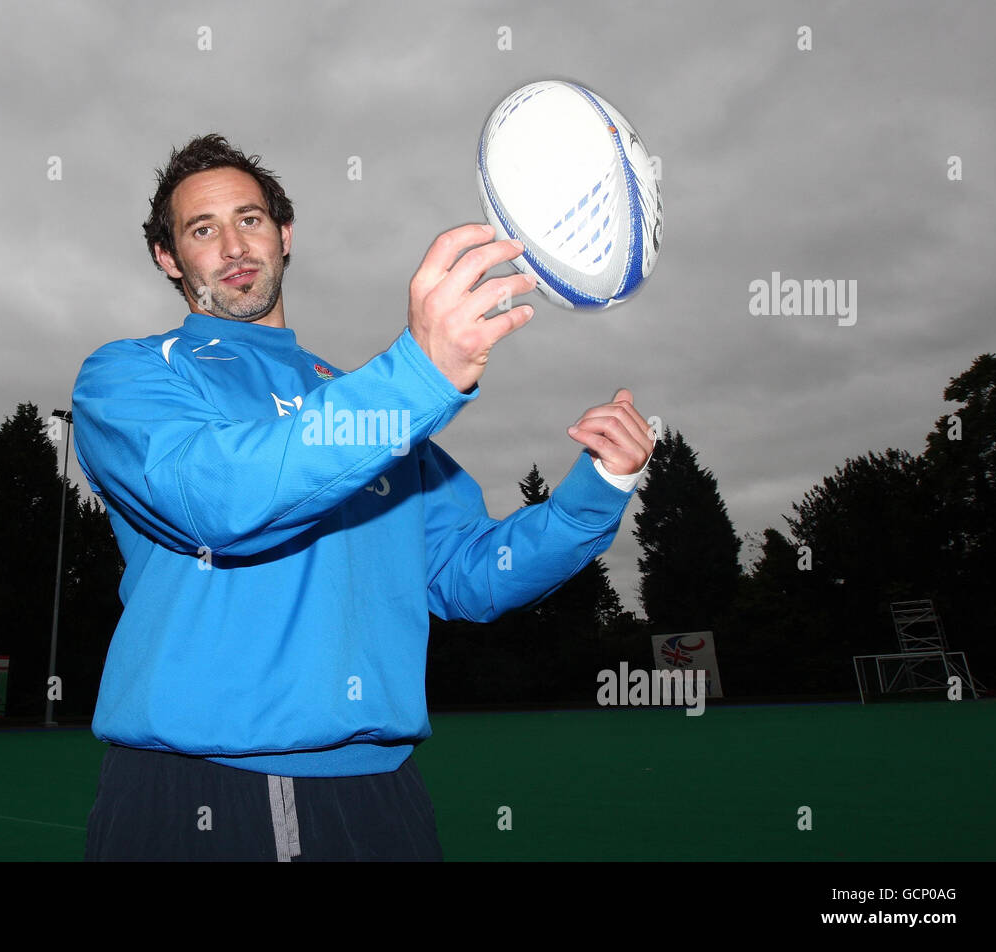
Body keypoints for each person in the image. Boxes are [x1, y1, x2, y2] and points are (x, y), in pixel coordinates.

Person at [71, 134, 654, 861]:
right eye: (201, 229)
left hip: (379, 798)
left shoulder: (374, 406)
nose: (232, 244)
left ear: (285, 235)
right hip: (191, 792)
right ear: (168, 257)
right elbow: (214, 498)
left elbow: (468, 574)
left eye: (250, 219)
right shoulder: (128, 375)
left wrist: (596, 494)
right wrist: (418, 373)